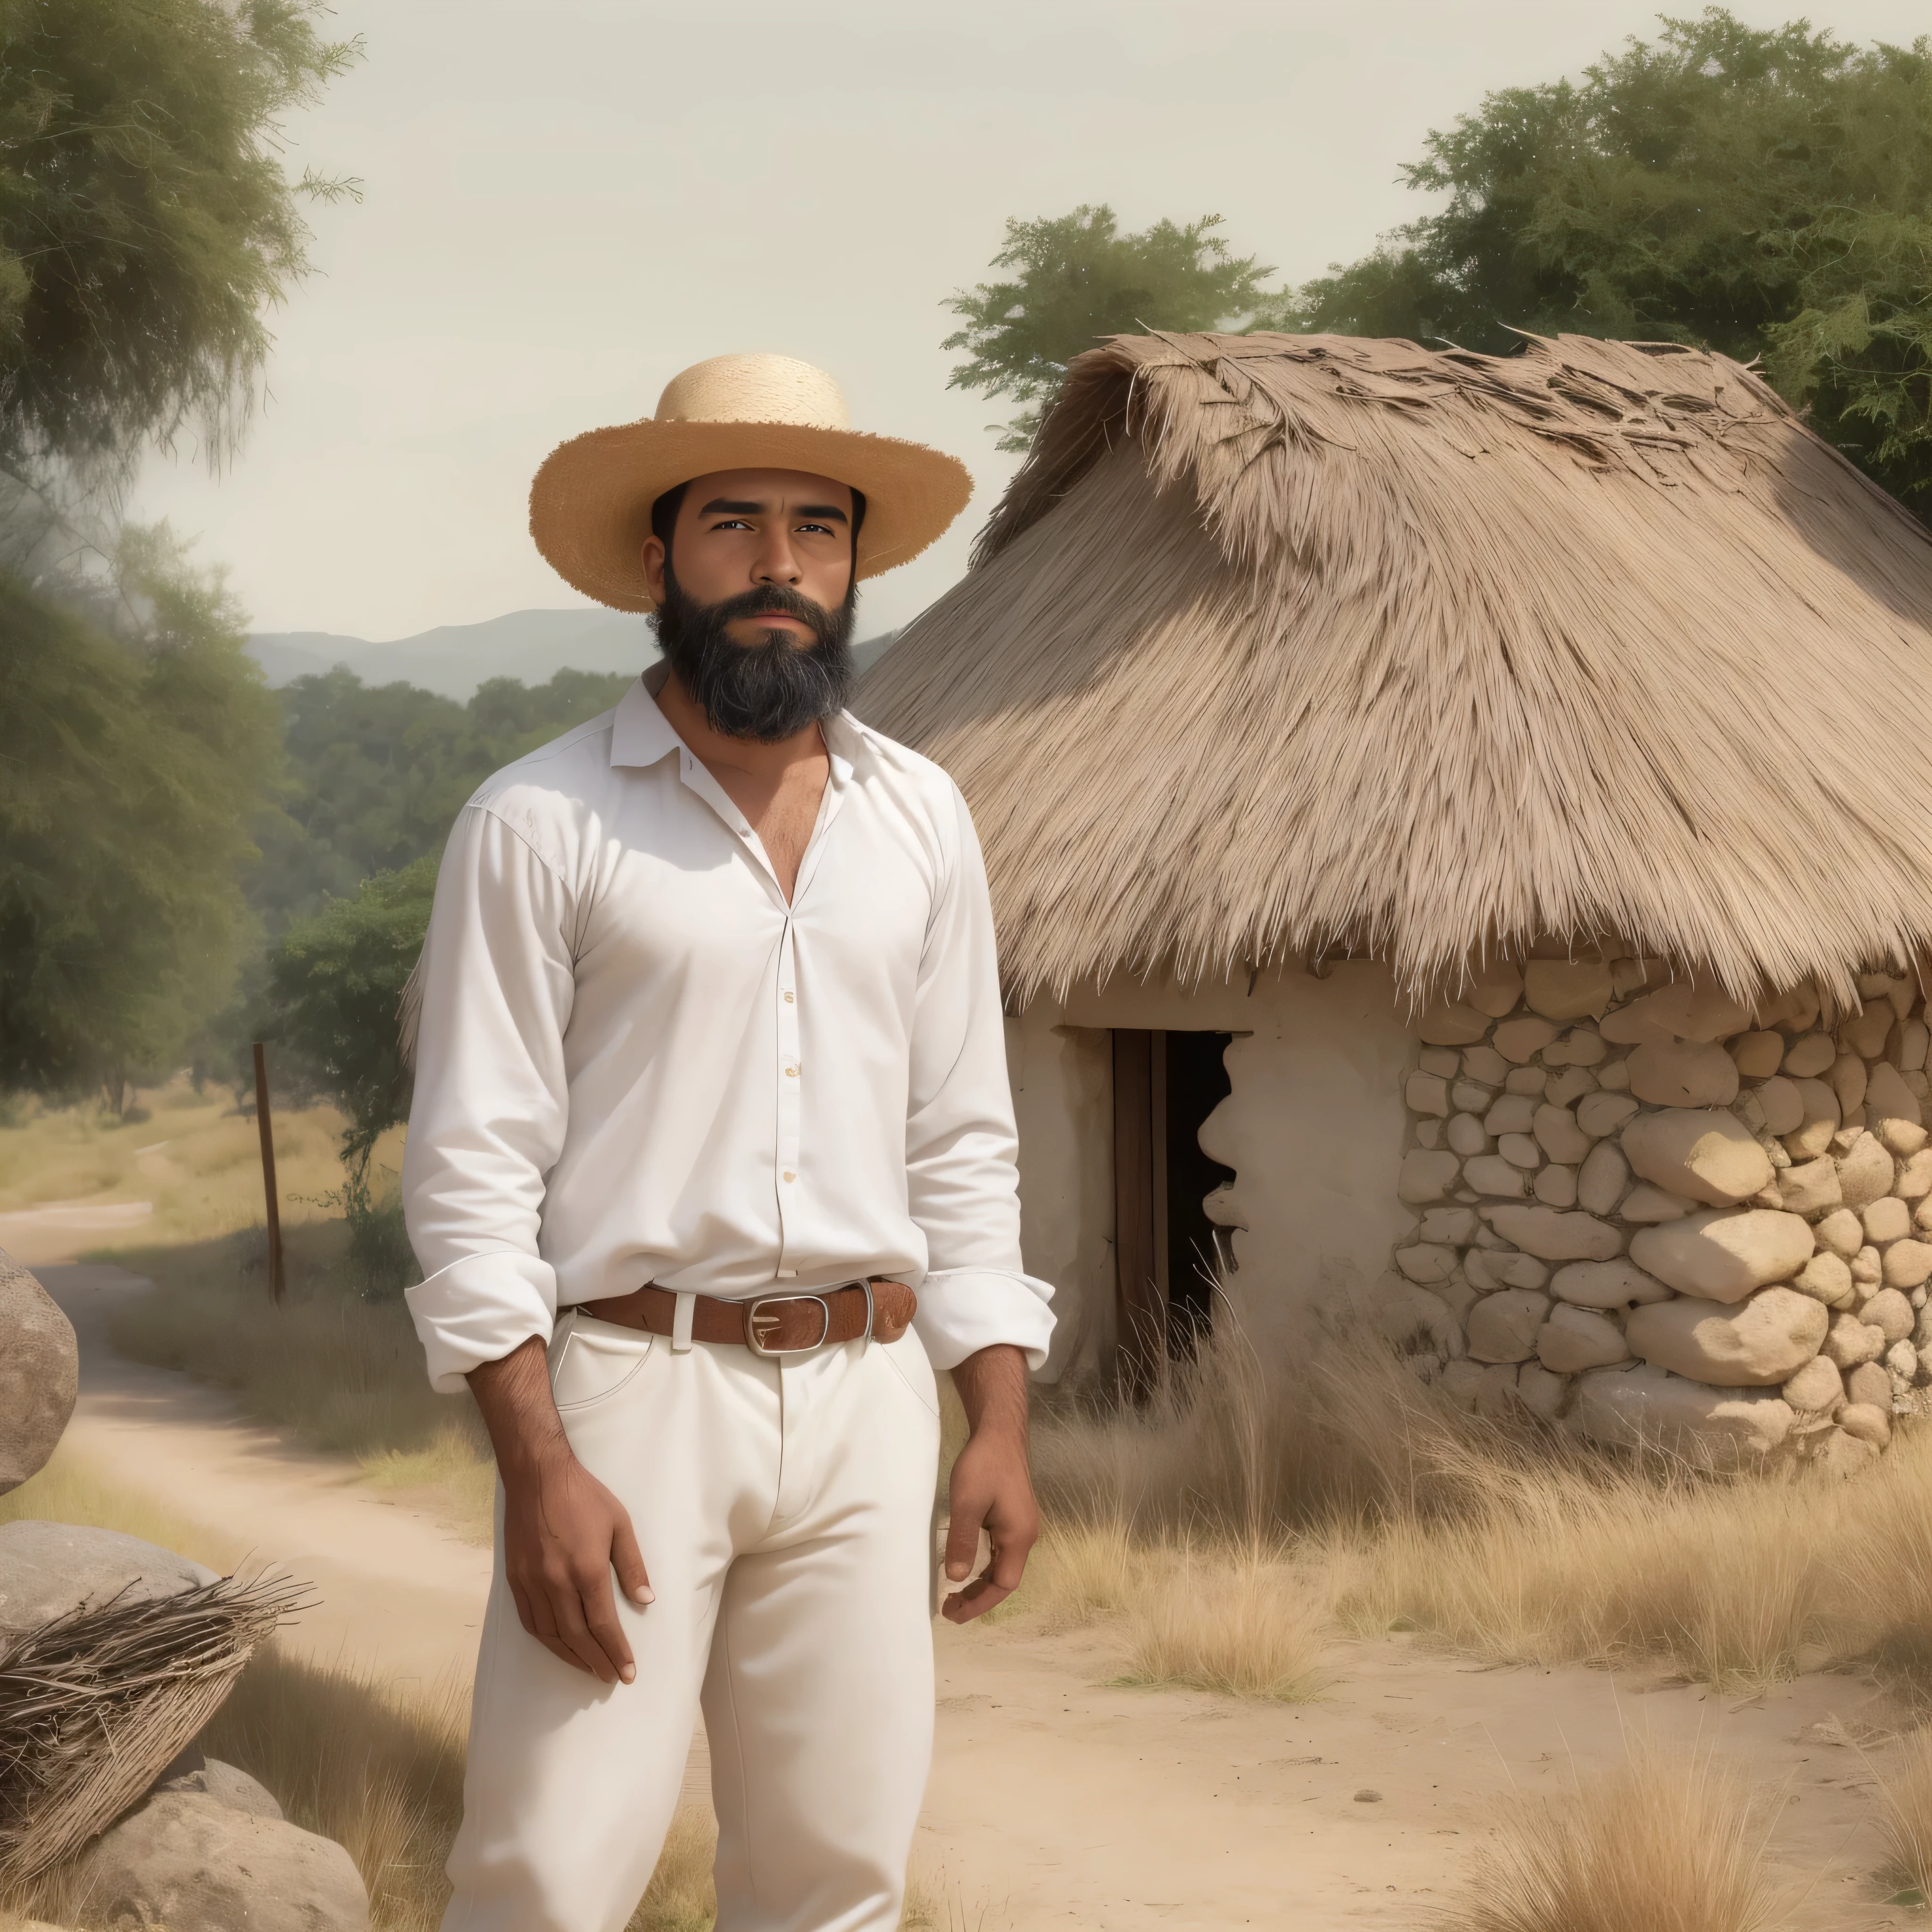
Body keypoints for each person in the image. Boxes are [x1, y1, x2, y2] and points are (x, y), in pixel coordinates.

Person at [400, 352, 1055, 1932]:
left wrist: (996, 1419)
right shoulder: (537, 824)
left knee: (837, 1883)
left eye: (817, 531)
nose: (779, 568)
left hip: (868, 1401)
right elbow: (472, 1173)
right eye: (736, 526)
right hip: (634, 1396)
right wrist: (537, 1466)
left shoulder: (925, 822)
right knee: (548, 1875)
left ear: (852, 564)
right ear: (657, 560)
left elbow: (963, 1137)